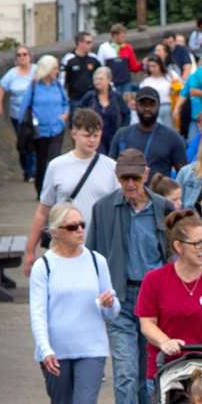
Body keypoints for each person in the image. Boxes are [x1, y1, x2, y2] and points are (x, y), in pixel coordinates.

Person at [28, 201, 119, 404]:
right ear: (55, 232)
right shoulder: (46, 266)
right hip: (56, 351)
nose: (80, 230)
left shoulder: (96, 261)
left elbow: (113, 310)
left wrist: (108, 304)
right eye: (72, 227)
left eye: (82, 225)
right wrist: (45, 349)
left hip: (91, 348)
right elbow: (38, 313)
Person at [87, 148, 170, 404]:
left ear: (146, 175)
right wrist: (98, 294)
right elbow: (92, 256)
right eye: (124, 178)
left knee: (148, 377)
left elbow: (174, 255)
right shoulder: (104, 209)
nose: (130, 184)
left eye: (135, 177)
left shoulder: (163, 209)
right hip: (120, 300)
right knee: (124, 374)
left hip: (154, 305)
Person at [136, 208, 202, 377]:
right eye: (197, 243)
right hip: (169, 368)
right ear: (178, 246)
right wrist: (165, 342)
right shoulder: (154, 280)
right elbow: (147, 323)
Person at [23, 108, 118, 277]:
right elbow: (43, 211)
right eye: (87, 135)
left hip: (99, 248)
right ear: (74, 133)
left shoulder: (111, 167)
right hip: (63, 246)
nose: (92, 140)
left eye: (96, 135)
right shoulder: (56, 166)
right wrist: (31, 251)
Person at [112, 86, 188, 178]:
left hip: (158, 191)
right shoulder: (122, 134)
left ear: (159, 106)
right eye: (143, 104)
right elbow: (111, 168)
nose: (147, 108)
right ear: (135, 106)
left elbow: (183, 175)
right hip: (127, 190)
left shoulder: (172, 137)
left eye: (151, 104)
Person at [24, 55, 71, 195]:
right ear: (47, 69)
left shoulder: (57, 85)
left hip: (57, 128)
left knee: (55, 161)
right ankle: (41, 191)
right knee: (41, 161)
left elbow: (65, 103)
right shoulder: (34, 86)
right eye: (55, 68)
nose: (57, 71)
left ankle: (54, 191)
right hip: (40, 131)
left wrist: (65, 115)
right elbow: (25, 107)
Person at [0, 44, 36, 181]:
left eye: (25, 54)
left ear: (30, 56)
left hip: (35, 113)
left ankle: (32, 172)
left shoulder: (36, 71)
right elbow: (2, 87)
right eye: (19, 55)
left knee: (34, 141)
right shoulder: (12, 73)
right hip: (18, 115)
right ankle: (26, 169)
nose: (22, 57)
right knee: (23, 143)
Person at [78, 67, 129, 156]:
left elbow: (127, 114)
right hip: (95, 138)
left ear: (109, 80)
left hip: (114, 137)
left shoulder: (117, 97)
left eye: (101, 79)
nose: (97, 81)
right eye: (95, 79)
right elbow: (78, 113)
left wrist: (122, 130)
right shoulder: (89, 97)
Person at [96, 23, 140, 99]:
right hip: (111, 84)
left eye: (124, 35)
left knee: (127, 106)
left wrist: (143, 65)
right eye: (122, 36)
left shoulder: (128, 47)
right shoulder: (104, 47)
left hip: (126, 83)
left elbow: (134, 67)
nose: (124, 38)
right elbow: (99, 68)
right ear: (114, 35)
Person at [137, 55, 177, 126]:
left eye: (154, 66)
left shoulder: (170, 76)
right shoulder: (145, 81)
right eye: (150, 66)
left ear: (160, 65)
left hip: (170, 107)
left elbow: (180, 89)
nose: (152, 69)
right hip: (153, 108)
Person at [60, 32, 101, 103]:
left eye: (91, 42)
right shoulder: (68, 59)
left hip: (92, 98)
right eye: (88, 42)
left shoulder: (94, 58)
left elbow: (102, 75)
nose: (91, 45)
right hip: (75, 99)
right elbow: (62, 80)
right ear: (80, 43)